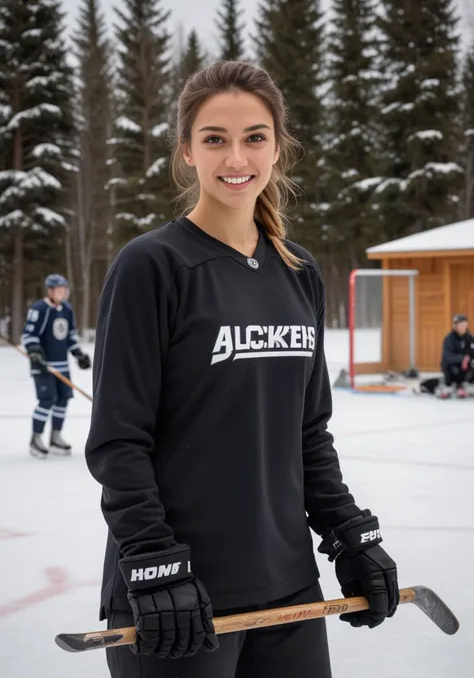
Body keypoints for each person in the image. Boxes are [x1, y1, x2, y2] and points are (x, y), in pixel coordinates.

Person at [85, 61, 399, 678]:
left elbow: (307, 432)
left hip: (289, 593)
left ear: (278, 147)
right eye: (215, 138)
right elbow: (120, 441)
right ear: (186, 152)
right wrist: (152, 563)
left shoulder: (299, 272)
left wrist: (348, 531)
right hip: (176, 601)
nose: (237, 156)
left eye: (255, 137)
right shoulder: (153, 266)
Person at [21, 273, 91, 458]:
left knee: (63, 399)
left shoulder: (67, 309)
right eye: (58, 290)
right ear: (50, 291)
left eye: (64, 290)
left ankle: (55, 436)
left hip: (62, 365)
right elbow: (29, 334)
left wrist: (78, 354)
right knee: (47, 399)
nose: (61, 293)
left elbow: (69, 337)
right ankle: (36, 439)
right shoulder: (39, 309)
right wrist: (34, 350)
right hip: (43, 365)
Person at [438, 314, 474, 399]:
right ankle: (448, 385)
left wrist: (470, 359)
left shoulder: (470, 338)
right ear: (455, 326)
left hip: (466, 367)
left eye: (464, 324)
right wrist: (463, 358)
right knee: (447, 364)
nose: (462, 327)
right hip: (453, 367)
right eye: (460, 325)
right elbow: (447, 356)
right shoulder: (449, 339)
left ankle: (465, 385)